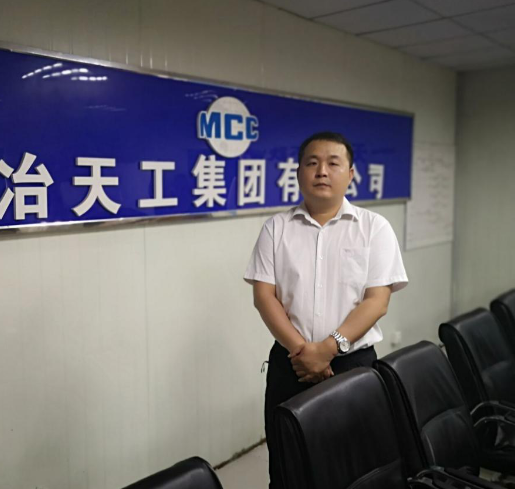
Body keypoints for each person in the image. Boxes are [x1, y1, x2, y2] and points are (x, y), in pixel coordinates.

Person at [244, 131, 408, 489]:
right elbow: (264, 297)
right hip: (291, 366)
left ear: (350, 174)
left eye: (333, 163)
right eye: (312, 163)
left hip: (352, 366)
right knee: (288, 467)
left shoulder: (374, 228)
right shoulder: (276, 228)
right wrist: (303, 353)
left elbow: (377, 301)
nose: (321, 171)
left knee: (353, 466)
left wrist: (329, 349)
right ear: (298, 173)